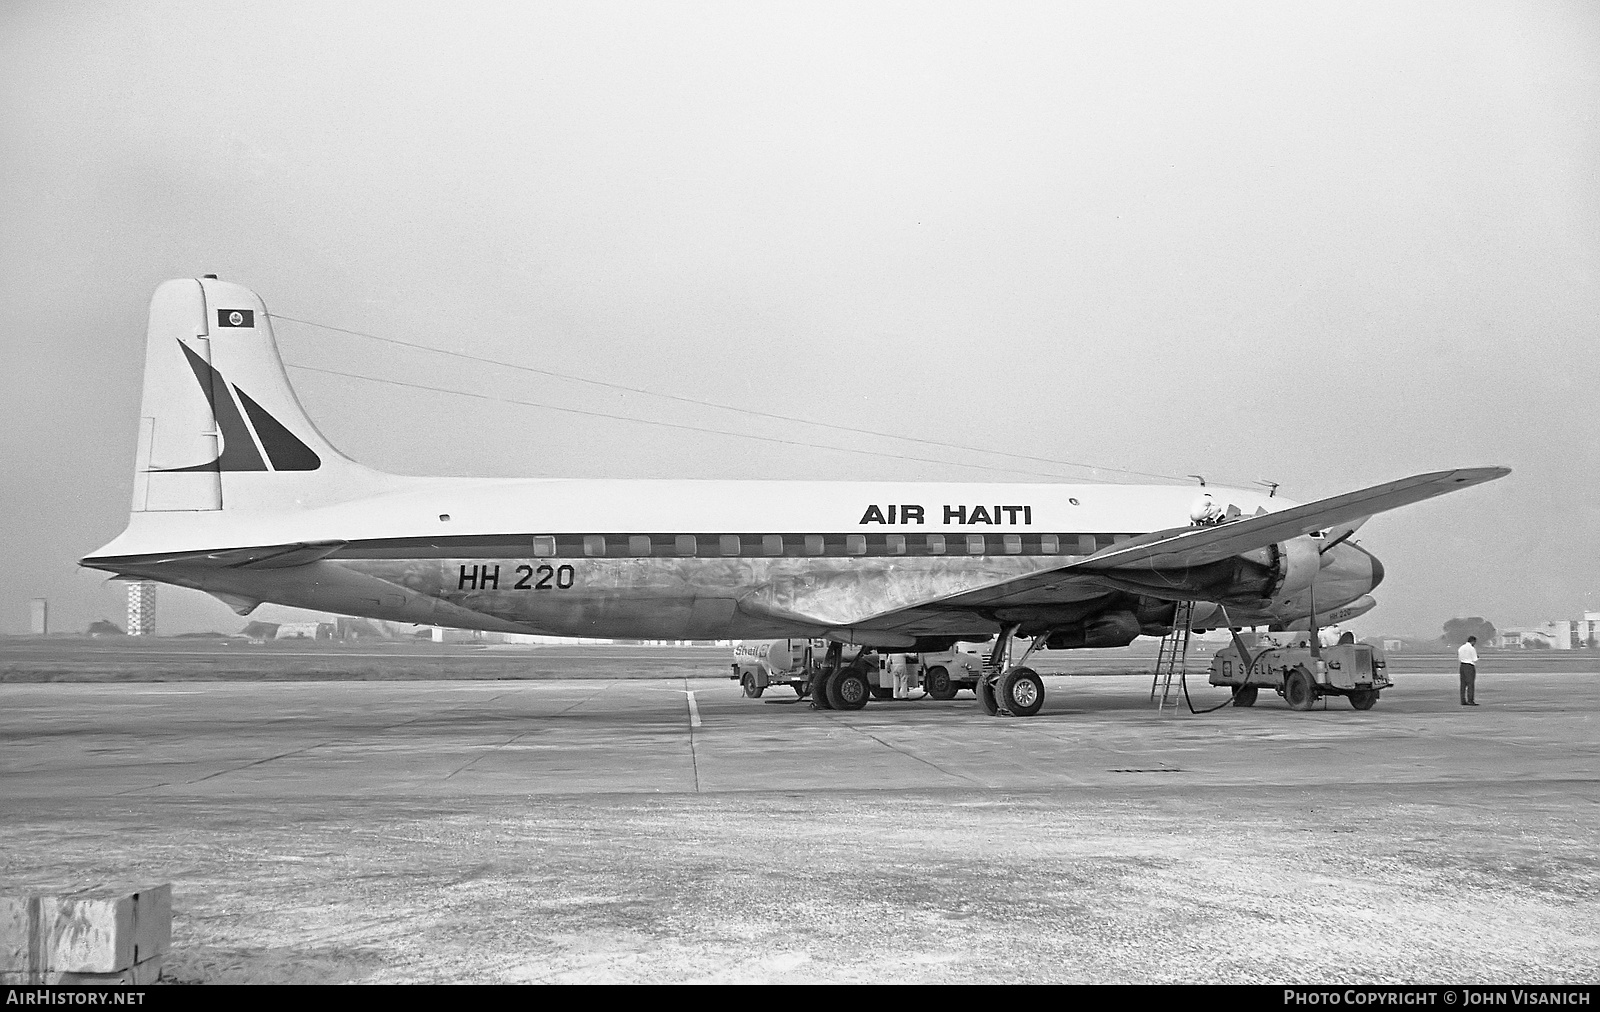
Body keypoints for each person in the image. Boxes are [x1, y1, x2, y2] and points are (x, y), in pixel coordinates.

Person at [1458, 635, 1479, 705]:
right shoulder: (1472, 648)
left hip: (1462, 665)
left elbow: (1459, 657)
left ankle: (1463, 700)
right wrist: (1477, 657)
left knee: (1463, 684)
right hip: (1469, 666)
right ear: (1473, 641)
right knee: (1470, 684)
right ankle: (1470, 700)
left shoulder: (1461, 648)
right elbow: (1475, 659)